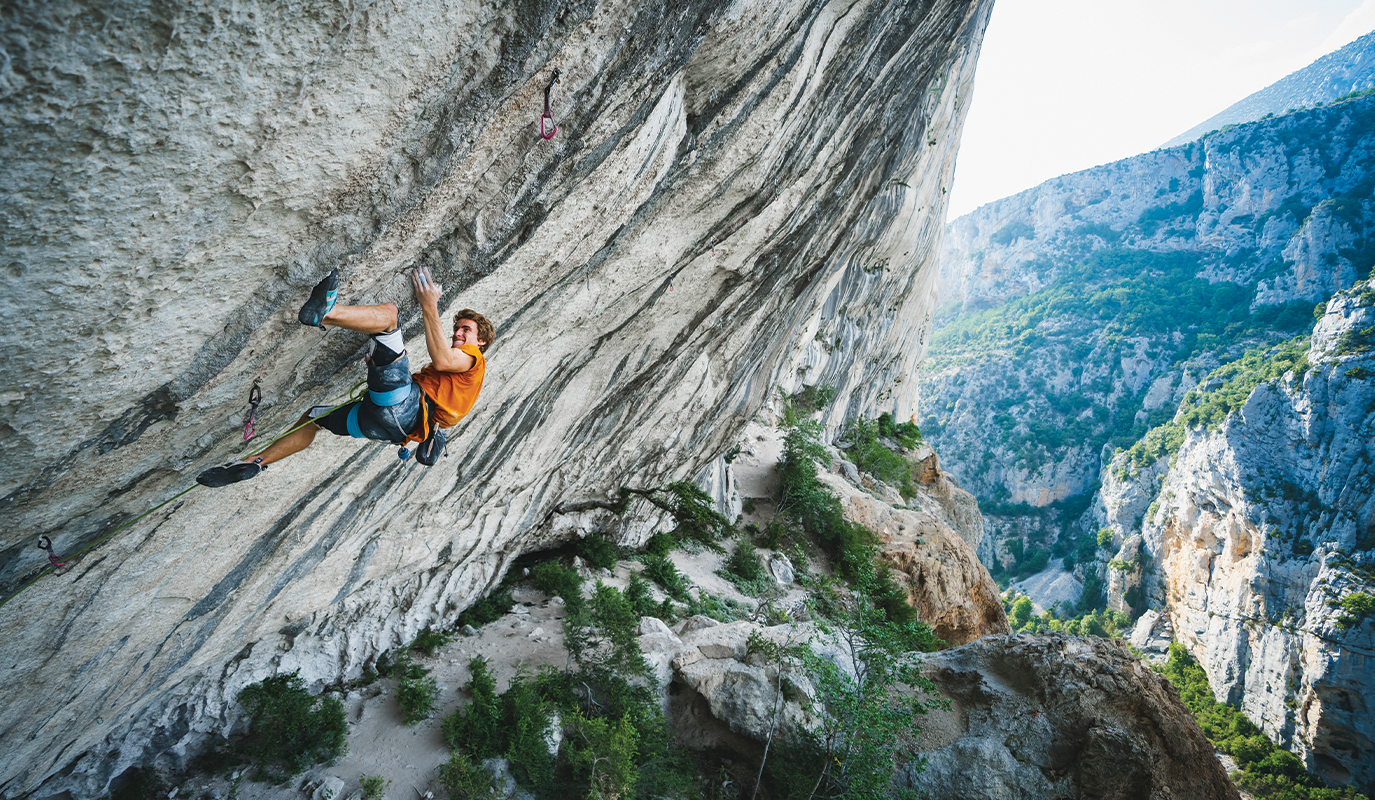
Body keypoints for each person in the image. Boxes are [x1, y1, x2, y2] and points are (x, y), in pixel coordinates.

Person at [196, 265, 492, 487]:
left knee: (389, 317)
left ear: (480, 342)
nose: (458, 333)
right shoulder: (463, 387)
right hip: (385, 429)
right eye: (458, 328)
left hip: (401, 404)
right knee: (314, 417)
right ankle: (255, 463)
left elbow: (441, 359)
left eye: (467, 330)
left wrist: (429, 303)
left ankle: (325, 312)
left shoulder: (473, 360)